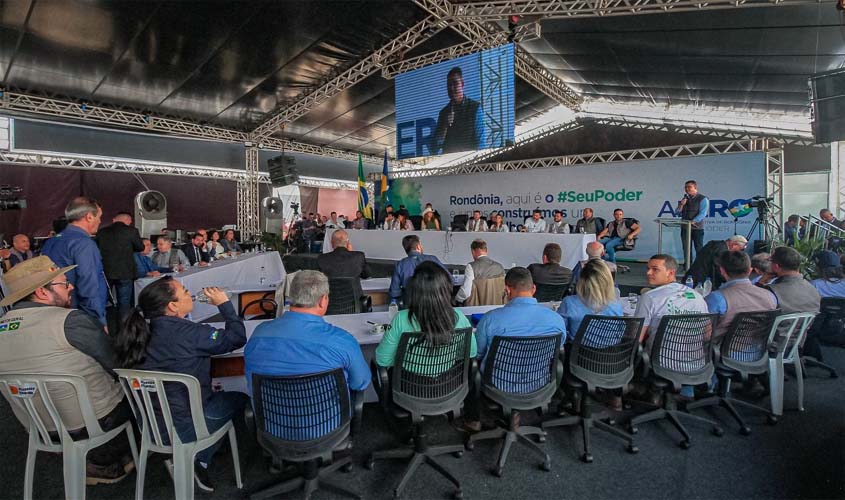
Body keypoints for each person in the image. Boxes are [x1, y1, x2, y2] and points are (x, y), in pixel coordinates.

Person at [0, 257, 133, 484]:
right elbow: (116, 364)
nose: (71, 286)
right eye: (64, 283)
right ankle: (106, 460)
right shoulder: (69, 320)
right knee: (148, 392)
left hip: (39, 427)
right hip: (94, 424)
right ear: (42, 292)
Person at [114, 276, 247, 491]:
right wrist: (224, 305)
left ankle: (196, 457)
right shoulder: (191, 334)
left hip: (151, 425)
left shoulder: (136, 334)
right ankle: (199, 456)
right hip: (187, 425)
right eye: (185, 291)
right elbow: (237, 337)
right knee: (240, 397)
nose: (189, 293)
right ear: (173, 306)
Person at [245, 271, 370, 404]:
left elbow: (252, 387)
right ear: (323, 301)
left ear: (291, 297)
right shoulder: (343, 341)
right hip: (329, 422)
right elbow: (360, 382)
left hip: (270, 422)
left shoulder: (258, 335)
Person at [376, 261, 475, 369]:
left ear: (413, 291)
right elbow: (471, 352)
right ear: (446, 289)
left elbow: (383, 360)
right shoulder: (458, 317)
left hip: (408, 383)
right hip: (450, 382)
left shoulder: (400, 319)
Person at [41, 196, 109, 327]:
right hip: (80, 316)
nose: (100, 221)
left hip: (55, 312)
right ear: (89, 217)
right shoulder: (84, 243)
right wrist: (99, 322)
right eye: (99, 217)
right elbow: (88, 286)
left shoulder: (51, 241)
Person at [475, 266, 566, 362]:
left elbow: (478, 354)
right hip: (539, 376)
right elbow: (557, 348)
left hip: (497, 376)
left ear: (507, 290)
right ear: (533, 289)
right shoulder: (556, 320)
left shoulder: (489, 319)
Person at [635, 254, 708, 349]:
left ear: (671, 273)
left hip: (660, 361)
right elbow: (707, 333)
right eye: (648, 268)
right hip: (697, 361)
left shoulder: (650, 297)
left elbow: (636, 338)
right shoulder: (697, 296)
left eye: (655, 269)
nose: (648, 273)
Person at [704, 251, 777, 339]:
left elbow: (704, 334)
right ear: (750, 270)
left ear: (722, 271)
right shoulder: (771, 297)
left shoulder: (716, 298)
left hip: (719, 350)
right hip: (758, 350)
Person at [557, 259, 623, 342]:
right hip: (612, 353)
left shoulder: (569, 303)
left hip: (577, 352)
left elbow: (559, 332)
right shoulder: (616, 306)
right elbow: (619, 335)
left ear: (581, 280)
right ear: (608, 281)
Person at [96, 212, 144, 319]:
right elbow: (140, 247)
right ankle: (124, 329)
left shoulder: (102, 231)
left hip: (106, 271)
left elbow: (96, 248)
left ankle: (103, 325)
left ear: (114, 220)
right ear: (127, 220)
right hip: (125, 271)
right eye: (130, 221)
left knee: (102, 300)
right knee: (124, 302)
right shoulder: (132, 231)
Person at [430, 66, 484, 155]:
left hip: (469, 163)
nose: (451, 88)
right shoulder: (443, 113)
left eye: (455, 83)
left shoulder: (475, 108)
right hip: (449, 164)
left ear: (462, 84)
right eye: (449, 85)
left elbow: (480, 143)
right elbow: (434, 149)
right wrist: (444, 127)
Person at [389, 235, 447, 304]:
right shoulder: (433, 259)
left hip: (411, 305)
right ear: (418, 246)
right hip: (436, 303)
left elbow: (395, 293)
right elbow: (450, 279)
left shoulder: (400, 265)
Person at [317, 229, 372, 298]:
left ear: (332, 243)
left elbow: (318, 281)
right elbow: (367, 275)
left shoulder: (322, 258)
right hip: (355, 303)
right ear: (348, 243)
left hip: (330, 303)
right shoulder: (359, 256)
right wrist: (352, 253)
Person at [455, 239, 505, 303]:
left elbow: (466, 292)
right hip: (497, 306)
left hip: (477, 308)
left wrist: (456, 299)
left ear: (473, 251)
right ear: (486, 251)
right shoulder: (500, 267)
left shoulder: (471, 267)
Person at [677, 180, 709, 261]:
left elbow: (703, 213)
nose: (687, 189)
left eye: (689, 187)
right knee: (686, 248)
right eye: (685, 187)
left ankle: (699, 268)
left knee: (699, 248)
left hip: (697, 228)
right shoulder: (684, 199)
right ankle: (687, 267)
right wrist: (681, 204)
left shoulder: (702, 199)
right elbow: (677, 212)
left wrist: (693, 221)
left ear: (695, 188)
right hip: (685, 228)